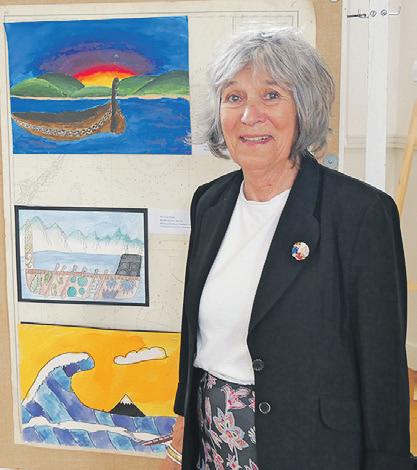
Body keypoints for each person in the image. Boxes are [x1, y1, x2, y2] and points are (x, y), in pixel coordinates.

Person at [160, 29, 412, 470]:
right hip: (212, 439)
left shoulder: (360, 214)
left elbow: (383, 370)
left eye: (271, 95)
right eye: (234, 97)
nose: (249, 115)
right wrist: (180, 439)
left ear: (303, 108)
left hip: (308, 448)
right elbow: (195, 336)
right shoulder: (210, 202)